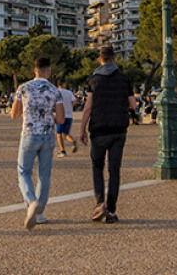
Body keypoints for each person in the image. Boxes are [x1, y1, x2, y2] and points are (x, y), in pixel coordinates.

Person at [78, 46, 135, 224]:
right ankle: (111, 210)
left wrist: (82, 129)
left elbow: (87, 107)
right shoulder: (124, 79)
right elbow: (132, 104)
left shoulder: (94, 80)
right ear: (114, 59)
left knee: (97, 166)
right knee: (114, 169)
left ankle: (99, 203)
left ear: (99, 60)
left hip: (98, 129)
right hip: (118, 129)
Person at [11, 57, 65, 230]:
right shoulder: (55, 90)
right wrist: (49, 117)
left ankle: (31, 201)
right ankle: (39, 212)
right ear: (48, 71)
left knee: (24, 171)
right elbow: (62, 118)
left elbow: (14, 114)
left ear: (35, 71)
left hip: (29, 134)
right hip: (48, 134)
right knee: (44, 175)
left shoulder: (24, 88)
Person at [56, 80, 78, 157]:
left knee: (59, 134)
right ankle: (72, 141)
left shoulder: (56, 92)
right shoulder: (69, 92)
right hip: (69, 115)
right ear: (63, 84)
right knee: (66, 133)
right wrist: (69, 107)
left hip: (60, 116)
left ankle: (63, 150)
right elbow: (74, 101)